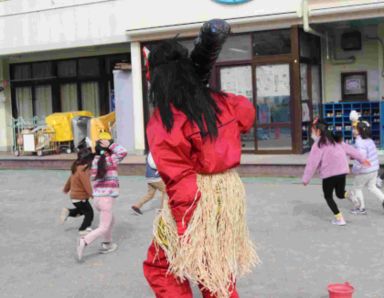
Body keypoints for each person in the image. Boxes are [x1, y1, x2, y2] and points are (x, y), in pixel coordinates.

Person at [142, 39, 259, 298]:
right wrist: (204, 88)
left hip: (197, 198)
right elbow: (246, 113)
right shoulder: (220, 101)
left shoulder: (167, 118)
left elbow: (179, 175)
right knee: (213, 269)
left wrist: (186, 226)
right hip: (226, 194)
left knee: (161, 268)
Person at [302, 119, 369, 226]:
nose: (311, 133)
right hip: (342, 171)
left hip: (329, 175)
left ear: (318, 131)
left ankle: (340, 219)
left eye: (312, 131)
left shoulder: (318, 145)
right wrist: (362, 159)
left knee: (328, 196)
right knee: (340, 193)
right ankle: (351, 196)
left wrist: (306, 179)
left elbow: (312, 164)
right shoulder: (336, 141)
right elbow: (351, 150)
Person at [76, 137, 127, 261]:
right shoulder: (111, 159)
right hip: (106, 200)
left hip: (97, 200)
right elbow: (123, 151)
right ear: (108, 150)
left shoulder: (94, 161)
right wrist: (111, 145)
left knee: (111, 220)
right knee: (103, 226)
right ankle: (85, 241)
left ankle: (107, 244)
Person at [350, 121, 384, 214]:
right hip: (374, 169)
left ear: (359, 130)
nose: (353, 130)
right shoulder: (369, 140)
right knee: (372, 187)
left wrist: (355, 169)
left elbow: (361, 158)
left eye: (355, 129)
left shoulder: (359, 142)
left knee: (357, 188)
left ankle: (361, 208)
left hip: (364, 170)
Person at [61, 148, 94, 236]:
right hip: (80, 197)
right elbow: (86, 184)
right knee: (89, 213)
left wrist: (66, 189)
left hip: (74, 197)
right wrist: (92, 194)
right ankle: (83, 229)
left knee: (81, 211)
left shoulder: (76, 167)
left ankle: (68, 212)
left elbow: (70, 179)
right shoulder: (83, 170)